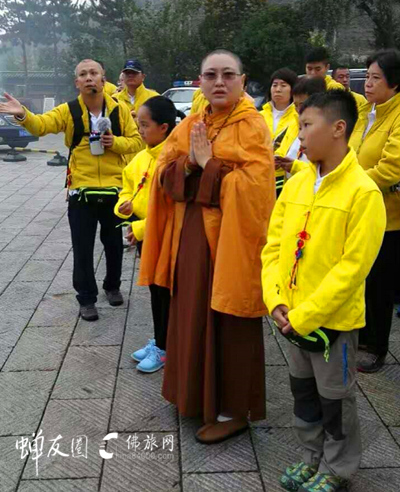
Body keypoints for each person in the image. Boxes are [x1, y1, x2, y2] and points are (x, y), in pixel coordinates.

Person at [138, 49, 275, 444]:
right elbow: (163, 170)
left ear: (242, 80)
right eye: (210, 74)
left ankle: (234, 410)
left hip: (231, 241)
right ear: (199, 81)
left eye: (228, 74)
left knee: (230, 318)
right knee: (191, 311)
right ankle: (192, 394)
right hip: (191, 236)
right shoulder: (193, 122)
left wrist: (209, 164)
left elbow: (255, 190)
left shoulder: (252, 126)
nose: (219, 81)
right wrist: (192, 166)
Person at [262, 90, 386, 492]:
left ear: (338, 129)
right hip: (291, 318)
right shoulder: (297, 184)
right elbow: (274, 247)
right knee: (304, 395)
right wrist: (276, 299)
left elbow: (353, 269)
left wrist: (307, 315)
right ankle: (310, 457)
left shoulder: (363, 193)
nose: (299, 136)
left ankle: (337, 468)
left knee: (335, 400)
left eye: (306, 126)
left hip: (332, 324)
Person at [0, 59, 142, 322]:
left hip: (114, 189)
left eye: (94, 73)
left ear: (103, 79)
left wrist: (115, 142)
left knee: (113, 245)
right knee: (83, 247)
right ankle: (86, 298)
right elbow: (41, 125)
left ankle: (112, 286)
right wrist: (22, 114)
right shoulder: (68, 110)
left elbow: (136, 140)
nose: (89, 78)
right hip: (81, 191)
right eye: (83, 74)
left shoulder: (120, 110)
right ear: (77, 82)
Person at [114, 96, 176, 373]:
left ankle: (165, 346)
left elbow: (174, 208)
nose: (140, 130)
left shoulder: (174, 159)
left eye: (144, 125)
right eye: (138, 124)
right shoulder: (141, 157)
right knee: (155, 291)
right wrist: (123, 207)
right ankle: (161, 340)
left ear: (164, 127)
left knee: (165, 292)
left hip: (166, 236)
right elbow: (126, 188)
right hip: (145, 235)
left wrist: (139, 228)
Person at [349, 49, 400, 373]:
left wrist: (350, 186)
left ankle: (375, 346)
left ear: (394, 83)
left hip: (388, 217)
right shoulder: (366, 112)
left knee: (380, 283)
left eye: (375, 78)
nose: (367, 83)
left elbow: (391, 167)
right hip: (358, 212)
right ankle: (359, 335)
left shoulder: (396, 116)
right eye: (366, 77)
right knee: (361, 277)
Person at [274, 77, 326, 195]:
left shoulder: (325, 132)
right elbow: (284, 149)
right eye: (295, 105)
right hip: (292, 192)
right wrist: (278, 160)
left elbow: (324, 172)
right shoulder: (294, 124)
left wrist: (295, 166)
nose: (298, 110)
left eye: (302, 104)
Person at [260, 68, 298, 146]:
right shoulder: (259, 116)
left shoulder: (298, 117)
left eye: (283, 85)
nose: (278, 89)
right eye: (274, 85)